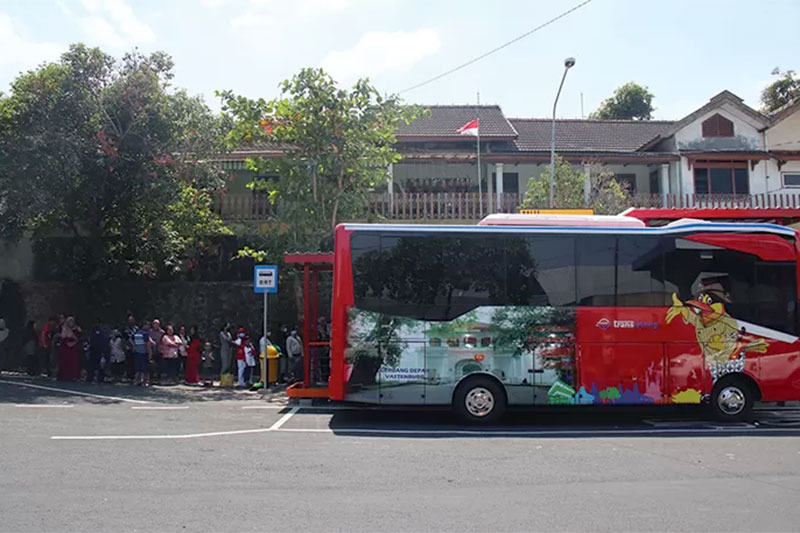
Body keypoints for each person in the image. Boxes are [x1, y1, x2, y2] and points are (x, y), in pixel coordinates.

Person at [57, 316, 81, 381]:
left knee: (73, 362)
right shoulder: (64, 329)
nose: (71, 323)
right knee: (65, 362)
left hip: (74, 348)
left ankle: (73, 376)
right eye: (69, 322)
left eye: (72, 321)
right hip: (65, 348)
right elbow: (62, 338)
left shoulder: (77, 328)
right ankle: (64, 376)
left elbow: (79, 337)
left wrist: (74, 341)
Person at [132, 321, 152, 386]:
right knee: (145, 368)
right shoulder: (145, 334)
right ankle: (144, 381)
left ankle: (136, 381)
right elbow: (147, 345)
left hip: (137, 353)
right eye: (147, 325)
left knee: (137, 368)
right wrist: (150, 354)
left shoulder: (136, 333)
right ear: (144, 325)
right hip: (144, 353)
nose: (149, 327)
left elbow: (133, 343)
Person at [149, 319, 165, 384]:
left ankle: (159, 379)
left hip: (159, 350)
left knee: (159, 365)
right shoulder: (150, 331)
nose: (155, 325)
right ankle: (151, 379)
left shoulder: (162, 332)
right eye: (154, 324)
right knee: (151, 365)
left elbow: (164, 340)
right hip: (152, 350)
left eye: (157, 324)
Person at [123, 315, 138, 382]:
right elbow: (124, 339)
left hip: (136, 347)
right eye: (130, 321)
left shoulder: (136, 329)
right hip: (128, 348)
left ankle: (134, 376)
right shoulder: (126, 329)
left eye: (132, 320)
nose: (131, 322)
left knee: (135, 362)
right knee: (128, 362)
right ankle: (128, 376)